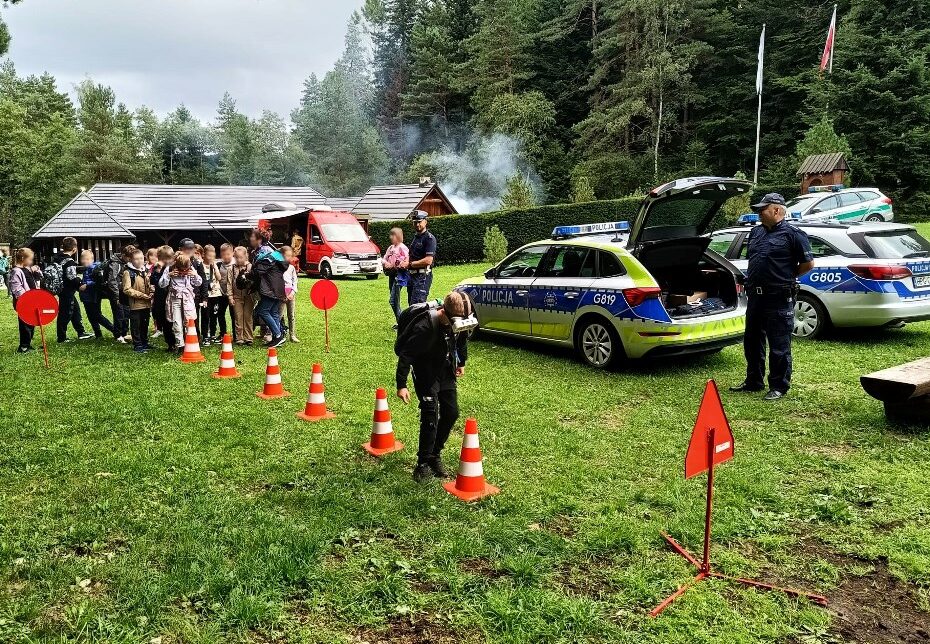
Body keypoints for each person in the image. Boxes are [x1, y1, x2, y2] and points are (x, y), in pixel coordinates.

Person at [730, 193, 814, 401]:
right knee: (752, 341)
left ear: (776, 210)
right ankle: (753, 381)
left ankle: (778, 386)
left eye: (762, 209)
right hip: (756, 297)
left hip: (778, 296)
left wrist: (787, 276)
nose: (758, 213)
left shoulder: (793, 234)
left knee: (779, 345)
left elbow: (808, 264)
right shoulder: (756, 232)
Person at [395, 291, 474, 482]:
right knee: (430, 417)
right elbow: (406, 355)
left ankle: (434, 455)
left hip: (445, 370)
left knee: (451, 413)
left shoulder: (460, 319)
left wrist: (461, 362)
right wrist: (402, 385)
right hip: (426, 373)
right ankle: (422, 464)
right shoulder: (425, 327)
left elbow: (461, 339)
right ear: (444, 313)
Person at [245, 227, 288, 348]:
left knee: (262, 311)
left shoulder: (263, 253)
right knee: (273, 311)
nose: (250, 238)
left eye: (252, 236)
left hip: (270, 288)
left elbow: (260, 271)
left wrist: (248, 273)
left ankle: (278, 334)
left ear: (258, 239)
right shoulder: (270, 251)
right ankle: (278, 337)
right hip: (278, 287)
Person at [159, 252, 203, 353]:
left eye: (185, 270)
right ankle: (180, 345)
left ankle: (190, 344)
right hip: (175, 298)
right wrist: (169, 276)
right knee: (177, 323)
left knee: (189, 322)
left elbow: (199, 282)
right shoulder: (170, 269)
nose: (183, 272)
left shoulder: (191, 269)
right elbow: (161, 284)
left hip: (188, 298)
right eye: (181, 270)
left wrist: (194, 275)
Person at [54, 237, 93, 343]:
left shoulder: (58, 257)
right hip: (67, 291)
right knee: (65, 313)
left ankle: (81, 332)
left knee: (75, 311)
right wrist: (80, 284)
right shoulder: (69, 261)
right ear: (74, 249)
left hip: (61, 289)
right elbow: (71, 277)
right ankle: (61, 337)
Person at [9, 247, 43, 353]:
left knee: (31, 322)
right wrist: (26, 299)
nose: (31, 262)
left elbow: (38, 277)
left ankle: (27, 344)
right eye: (30, 259)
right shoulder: (16, 271)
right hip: (23, 302)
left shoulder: (26, 269)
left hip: (30, 300)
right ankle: (23, 347)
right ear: (23, 258)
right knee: (25, 324)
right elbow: (16, 288)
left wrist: (36, 270)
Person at [78, 249, 115, 339]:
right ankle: (98, 334)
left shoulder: (95, 268)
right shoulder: (86, 269)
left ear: (92, 260)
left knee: (96, 315)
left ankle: (114, 329)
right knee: (90, 316)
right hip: (86, 296)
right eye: (82, 259)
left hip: (93, 295)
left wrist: (87, 285)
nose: (84, 261)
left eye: (87, 259)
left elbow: (99, 281)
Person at [122, 248, 153, 353]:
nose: (139, 261)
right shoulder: (128, 272)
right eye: (136, 259)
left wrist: (151, 291)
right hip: (135, 304)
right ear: (131, 260)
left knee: (145, 324)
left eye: (141, 258)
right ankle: (138, 344)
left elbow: (148, 285)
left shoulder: (145, 271)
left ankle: (144, 342)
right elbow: (127, 289)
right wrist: (142, 295)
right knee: (136, 325)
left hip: (146, 303)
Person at [101, 246, 132, 343]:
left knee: (126, 312)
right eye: (129, 258)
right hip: (115, 293)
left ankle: (125, 333)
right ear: (123, 255)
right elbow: (112, 281)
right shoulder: (115, 264)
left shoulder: (124, 263)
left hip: (123, 292)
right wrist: (117, 296)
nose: (130, 260)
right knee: (119, 314)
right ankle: (118, 335)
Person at [406, 210, 436, 306]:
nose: (417, 225)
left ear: (425, 222)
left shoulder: (429, 238)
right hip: (412, 277)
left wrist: (411, 264)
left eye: (419, 222)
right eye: (415, 222)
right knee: (411, 306)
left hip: (422, 277)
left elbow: (428, 260)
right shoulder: (416, 237)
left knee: (417, 306)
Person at [150, 245, 177, 350]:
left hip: (171, 297)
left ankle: (177, 342)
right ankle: (170, 344)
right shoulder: (157, 268)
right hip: (160, 298)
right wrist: (157, 270)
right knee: (164, 321)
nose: (169, 260)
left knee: (173, 321)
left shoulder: (173, 267)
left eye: (170, 258)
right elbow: (154, 281)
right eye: (167, 258)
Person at [228, 246, 255, 345]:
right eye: (237, 258)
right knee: (238, 316)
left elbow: (254, 281)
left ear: (246, 256)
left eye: (241, 257)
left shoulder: (250, 267)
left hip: (248, 296)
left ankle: (249, 337)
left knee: (248, 316)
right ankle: (239, 337)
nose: (239, 260)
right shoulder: (232, 268)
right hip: (236, 296)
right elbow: (229, 282)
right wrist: (230, 296)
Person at [383, 227, 409, 325]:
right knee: (394, 300)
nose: (390, 237)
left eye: (392, 235)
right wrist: (386, 263)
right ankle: (400, 322)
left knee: (393, 301)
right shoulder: (390, 248)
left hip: (400, 276)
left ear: (397, 236)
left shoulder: (403, 248)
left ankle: (402, 322)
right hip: (391, 275)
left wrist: (395, 265)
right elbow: (384, 258)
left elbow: (406, 261)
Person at [201, 244, 224, 345]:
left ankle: (213, 334)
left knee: (214, 315)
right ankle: (205, 335)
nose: (211, 258)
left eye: (213, 256)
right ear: (204, 255)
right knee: (205, 316)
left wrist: (215, 267)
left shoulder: (214, 265)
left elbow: (219, 278)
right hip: (206, 296)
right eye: (209, 256)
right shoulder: (200, 265)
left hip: (216, 294)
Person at [216, 243, 235, 340]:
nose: (226, 256)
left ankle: (236, 335)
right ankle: (223, 333)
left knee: (233, 315)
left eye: (228, 254)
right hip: (222, 294)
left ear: (232, 253)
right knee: (220, 313)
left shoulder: (236, 264)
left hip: (233, 294)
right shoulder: (218, 265)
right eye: (223, 255)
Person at [281, 245, 299, 343]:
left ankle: (292, 334)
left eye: (290, 256)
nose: (288, 258)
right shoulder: (278, 267)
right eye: (286, 256)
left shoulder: (291, 268)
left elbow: (295, 281)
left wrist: (292, 292)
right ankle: (280, 333)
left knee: (291, 315)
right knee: (279, 315)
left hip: (291, 293)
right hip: (282, 295)